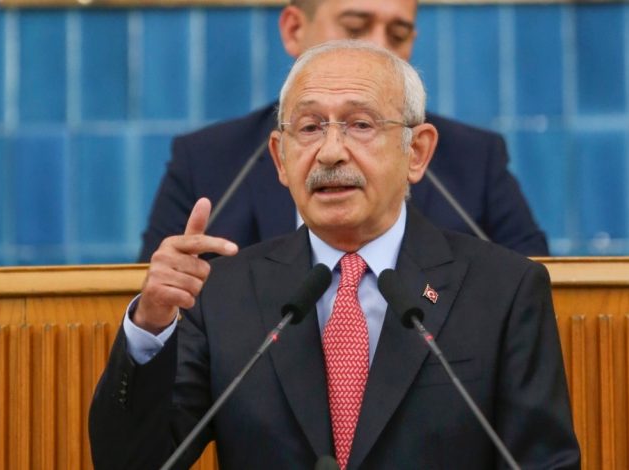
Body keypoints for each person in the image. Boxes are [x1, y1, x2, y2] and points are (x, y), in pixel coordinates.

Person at [90, 41, 579, 469]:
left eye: (360, 124)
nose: (329, 152)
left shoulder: (503, 291)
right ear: (280, 159)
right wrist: (151, 326)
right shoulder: (221, 296)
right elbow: (130, 463)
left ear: (416, 152)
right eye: (309, 128)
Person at [137, 0, 549, 262]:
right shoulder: (207, 161)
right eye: (356, 26)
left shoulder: (471, 158)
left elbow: (536, 290)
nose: (379, 48)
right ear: (294, 29)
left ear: (420, 153)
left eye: (398, 34)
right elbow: (152, 300)